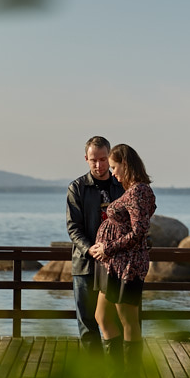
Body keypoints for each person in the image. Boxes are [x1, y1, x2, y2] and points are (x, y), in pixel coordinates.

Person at [89, 143, 156, 378]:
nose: (113, 172)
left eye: (115, 167)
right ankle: (117, 373)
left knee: (128, 320)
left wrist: (107, 248)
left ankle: (131, 377)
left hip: (127, 265)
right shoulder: (135, 191)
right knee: (102, 316)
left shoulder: (139, 191)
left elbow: (139, 231)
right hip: (114, 265)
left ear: (126, 165)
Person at [66, 136, 124, 353]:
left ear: (110, 158)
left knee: (115, 319)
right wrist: (90, 249)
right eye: (93, 160)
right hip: (85, 264)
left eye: (103, 159)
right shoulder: (77, 188)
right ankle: (93, 374)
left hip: (115, 263)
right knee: (88, 322)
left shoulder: (121, 185)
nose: (99, 165)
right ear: (86, 159)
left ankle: (115, 371)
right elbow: (73, 227)